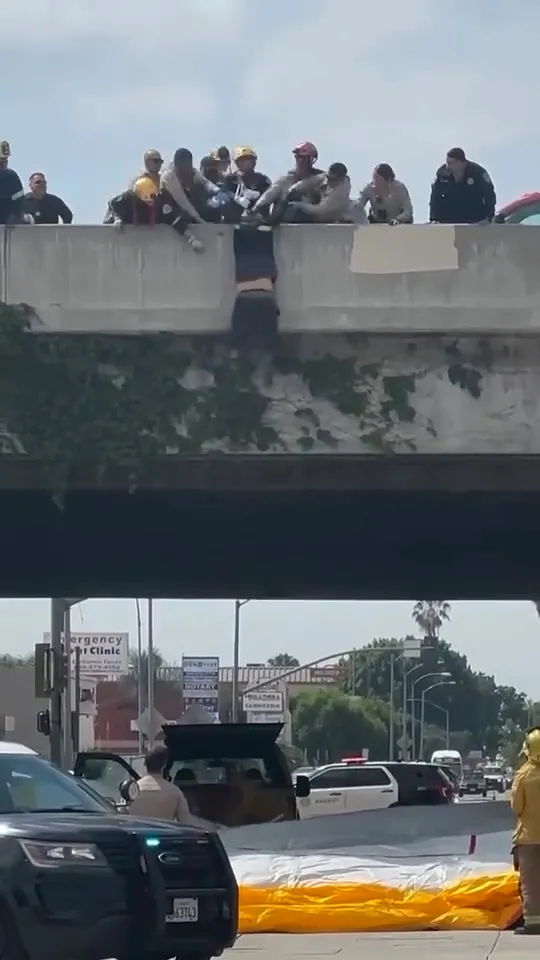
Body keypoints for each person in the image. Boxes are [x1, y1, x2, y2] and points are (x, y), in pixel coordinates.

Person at [160, 147, 224, 251]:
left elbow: (206, 184)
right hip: (169, 209)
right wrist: (200, 221)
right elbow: (183, 201)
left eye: (188, 165)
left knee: (203, 192)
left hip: (187, 208)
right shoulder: (168, 177)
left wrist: (220, 192)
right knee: (170, 212)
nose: (186, 169)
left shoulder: (192, 172)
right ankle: (191, 239)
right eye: (182, 166)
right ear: (176, 165)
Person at [511, 727, 540, 935]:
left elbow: (516, 807)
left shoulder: (523, 775)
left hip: (529, 839)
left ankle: (533, 923)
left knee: (530, 883)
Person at [252, 141, 324, 221]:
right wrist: (257, 208)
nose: (301, 161)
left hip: (312, 224)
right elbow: (269, 195)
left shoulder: (320, 179)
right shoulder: (286, 179)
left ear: (311, 159)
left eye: (304, 158)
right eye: (298, 157)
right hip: (284, 224)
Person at [429, 147, 496, 224]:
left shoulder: (478, 173)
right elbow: (435, 198)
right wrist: (433, 218)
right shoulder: (442, 174)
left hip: (474, 218)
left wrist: (488, 217)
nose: (447, 166)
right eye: (447, 163)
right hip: (449, 217)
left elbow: (489, 195)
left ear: (461, 163)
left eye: (451, 163)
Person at [128, 746, 192, 823]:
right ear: (164, 766)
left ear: (145, 764)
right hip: (165, 834)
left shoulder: (132, 790)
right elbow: (186, 822)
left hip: (136, 833)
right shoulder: (175, 792)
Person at [283, 162, 354, 223]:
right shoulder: (326, 176)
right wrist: (293, 189)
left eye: (332, 179)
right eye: (328, 177)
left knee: (296, 212)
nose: (328, 181)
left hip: (324, 217)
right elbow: (308, 182)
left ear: (340, 179)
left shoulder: (340, 194)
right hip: (317, 204)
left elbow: (321, 210)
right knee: (294, 195)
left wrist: (300, 205)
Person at [222, 146, 271, 222]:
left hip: (258, 219)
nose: (247, 163)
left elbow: (268, 197)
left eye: (249, 159)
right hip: (234, 221)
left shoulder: (263, 179)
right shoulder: (231, 179)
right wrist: (237, 198)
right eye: (242, 160)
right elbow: (225, 192)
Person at [0, 140, 26, 225]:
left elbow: (19, 197)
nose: (5, 162)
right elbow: (19, 199)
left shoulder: (9, 176)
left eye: (5, 159)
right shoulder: (10, 175)